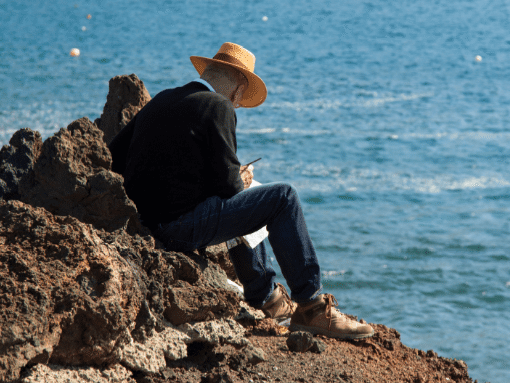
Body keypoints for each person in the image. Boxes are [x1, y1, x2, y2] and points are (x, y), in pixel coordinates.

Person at [109, 42, 374, 341]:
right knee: (282, 197)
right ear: (238, 86)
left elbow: (112, 155)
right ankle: (311, 307)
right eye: (241, 98)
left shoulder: (161, 100)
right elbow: (230, 188)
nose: (237, 104)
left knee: (252, 199)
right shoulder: (218, 105)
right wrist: (243, 178)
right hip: (176, 228)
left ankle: (268, 299)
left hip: (145, 224)